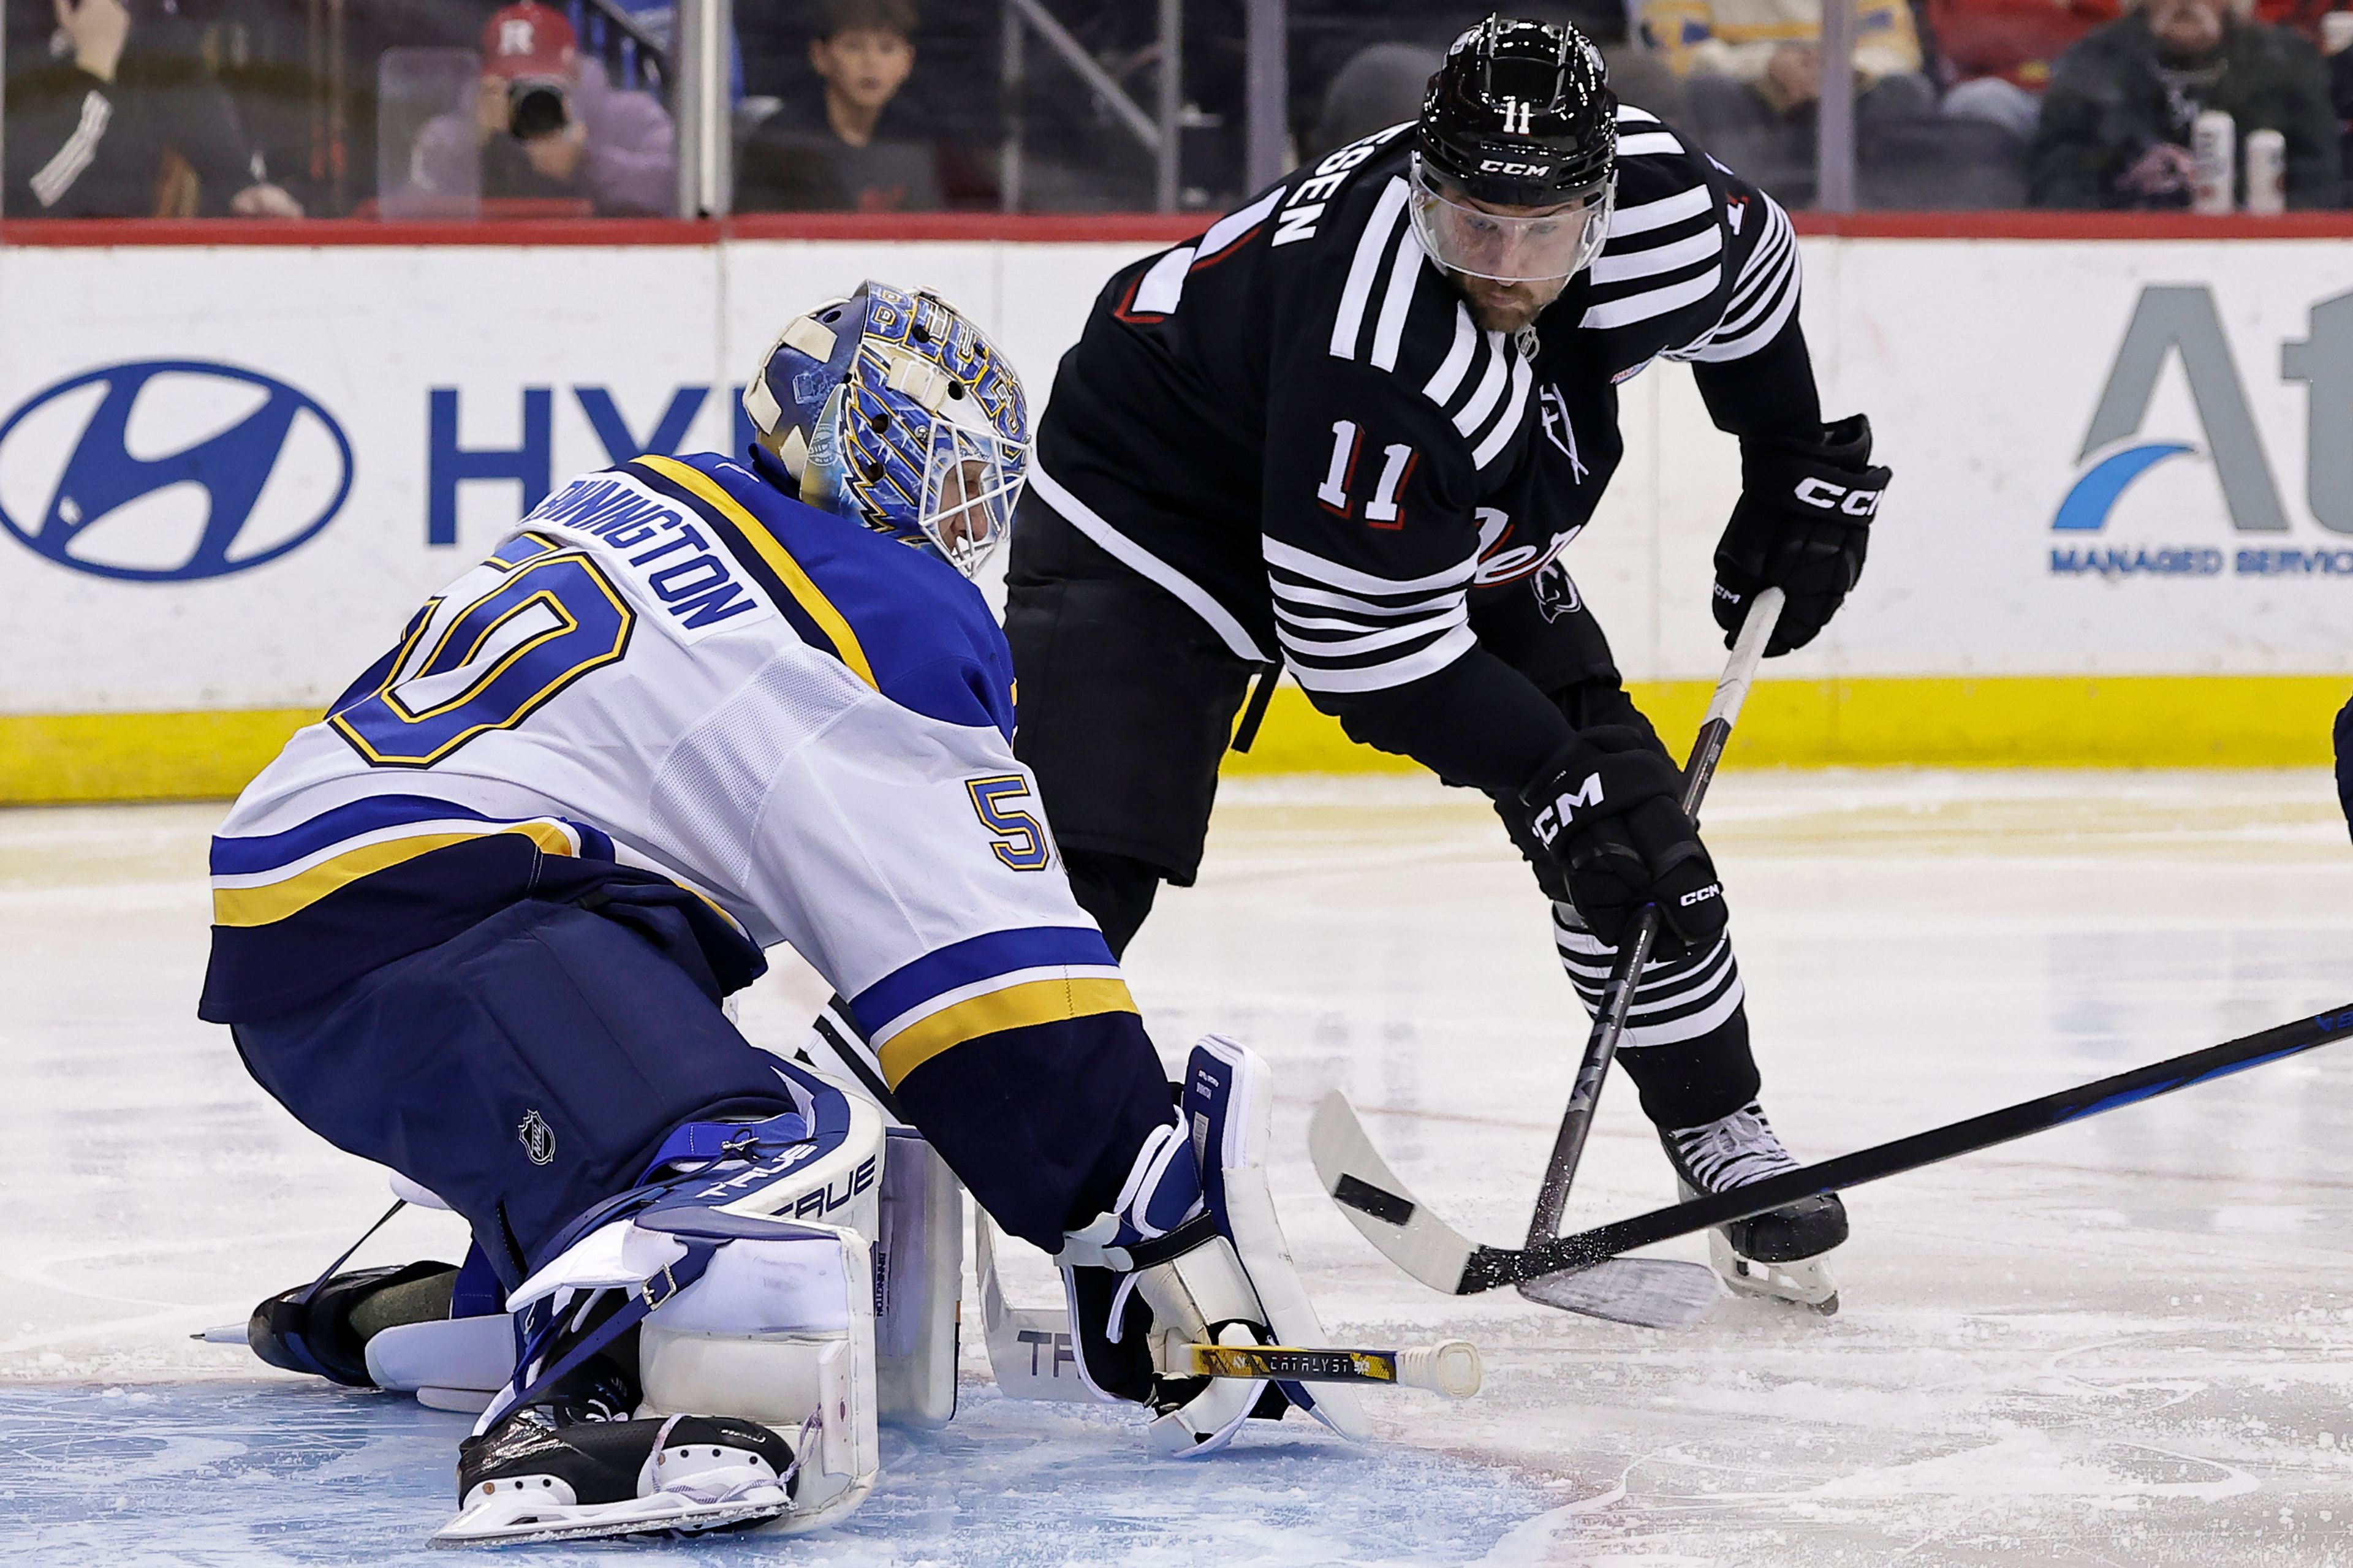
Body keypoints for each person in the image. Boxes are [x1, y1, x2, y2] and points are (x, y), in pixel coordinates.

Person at [200, 282, 1366, 1543]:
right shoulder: (880, 610)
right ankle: (561, 1423)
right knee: (768, 1149)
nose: (960, 522)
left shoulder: (647, 490)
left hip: (334, 924)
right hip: (446, 920)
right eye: (944, 473)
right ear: (855, 444)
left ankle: (459, 1308)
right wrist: (1139, 1206)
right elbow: (992, 981)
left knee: (700, 1090)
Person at [995, 16, 1890, 1312]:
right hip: (1155, 506)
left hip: (1445, 508)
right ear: (1424, 185)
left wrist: (1785, 465)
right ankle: (942, 1155)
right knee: (1087, 864)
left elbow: (1757, 294)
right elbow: (1363, 653)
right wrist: (1546, 780)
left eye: (1542, 235)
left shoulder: (1671, 214)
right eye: (1474, 226)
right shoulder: (1378, 347)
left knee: (1638, 843)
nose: (1508, 268)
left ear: (1604, 201)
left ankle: (1723, 1132)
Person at [2030, 0, 2341, 207]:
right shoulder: (2096, 58)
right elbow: (2059, 179)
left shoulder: (2286, 63)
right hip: (2123, 247)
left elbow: (2318, 181)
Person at [4, 0, 301, 217]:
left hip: (121, 267)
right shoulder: (13, 27)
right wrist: (94, 66)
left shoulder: (151, 26)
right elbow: (24, 198)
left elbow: (219, 153)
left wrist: (245, 190)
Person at [1638, 0, 1936, 203]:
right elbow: (1677, 54)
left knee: (1905, 90)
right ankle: (1744, 217)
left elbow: (1898, 44)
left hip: (1844, 95)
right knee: (1706, 91)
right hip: (1750, 96)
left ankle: (1876, 224)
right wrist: (1768, 66)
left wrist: (1843, 72)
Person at [411, 1, 675, 218]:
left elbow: (675, 191)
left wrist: (587, 162)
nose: (530, 100)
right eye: (513, 86)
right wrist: (468, 145)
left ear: (575, 77)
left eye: (542, 85)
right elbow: (407, 211)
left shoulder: (628, 116)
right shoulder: (452, 132)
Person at [736, 0, 942, 213]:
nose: (871, 62)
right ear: (820, 56)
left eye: (887, 48)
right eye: (853, 46)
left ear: (907, 61)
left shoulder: (913, 135)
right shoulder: (782, 140)